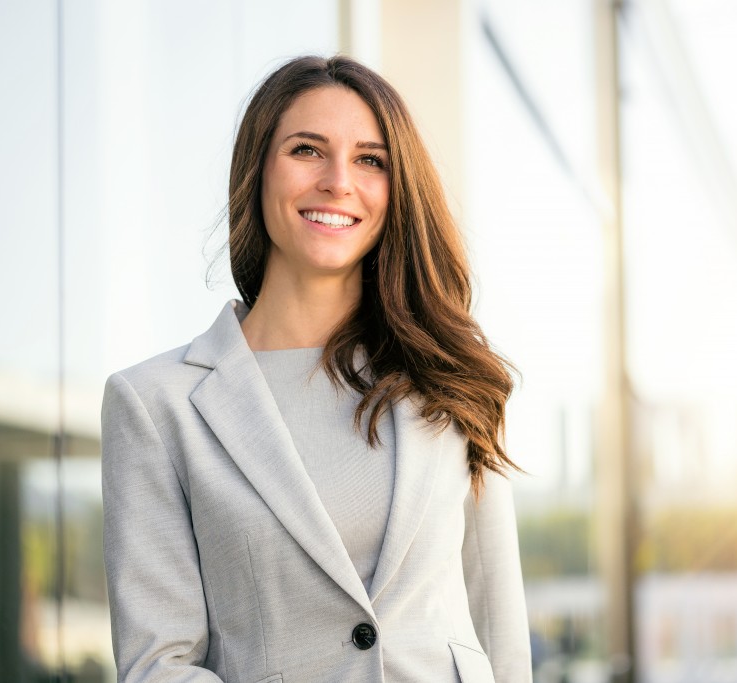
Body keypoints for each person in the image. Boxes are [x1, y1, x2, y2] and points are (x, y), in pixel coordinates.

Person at [101, 55, 531, 683]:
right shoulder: (154, 404)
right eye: (307, 150)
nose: (338, 181)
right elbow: (157, 664)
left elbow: (498, 628)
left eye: (370, 159)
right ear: (257, 170)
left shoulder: (452, 378)